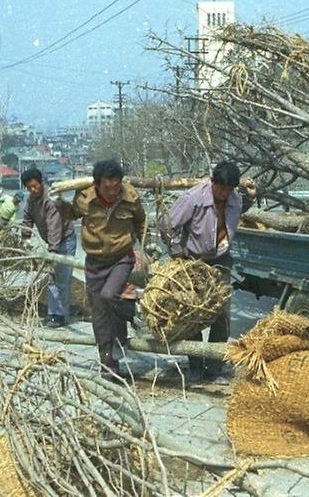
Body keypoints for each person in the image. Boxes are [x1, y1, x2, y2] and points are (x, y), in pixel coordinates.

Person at [158, 161, 254, 385]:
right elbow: (166, 224)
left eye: (228, 190)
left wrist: (249, 197)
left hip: (220, 260)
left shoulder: (234, 199)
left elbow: (240, 209)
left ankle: (215, 366)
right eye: (221, 189)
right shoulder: (193, 198)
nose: (224, 194)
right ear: (212, 182)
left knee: (221, 314)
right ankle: (195, 365)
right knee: (194, 313)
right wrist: (176, 252)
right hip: (193, 261)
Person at [69, 159, 146, 380]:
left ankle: (120, 339)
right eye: (107, 187)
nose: (112, 191)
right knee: (99, 314)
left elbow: (141, 222)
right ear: (97, 185)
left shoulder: (130, 198)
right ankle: (108, 363)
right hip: (94, 262)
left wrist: (146, 245)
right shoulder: (85, 199)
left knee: (109, 295)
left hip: (121, 258)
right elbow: (70, 214)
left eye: (116, 186)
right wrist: (58, 203)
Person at [21, 169, 76, 328]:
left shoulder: (50, 199)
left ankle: (61, 315)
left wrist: (53, 250)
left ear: (40, 182)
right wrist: (25, 237)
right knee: (52, 278)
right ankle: (53, 313)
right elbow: (27, 217)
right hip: (54, 242)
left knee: (62, 279)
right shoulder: (32, 200)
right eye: (29, 187)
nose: (33, 189)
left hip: (65, 240)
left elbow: (54, 226)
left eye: (35, 186)